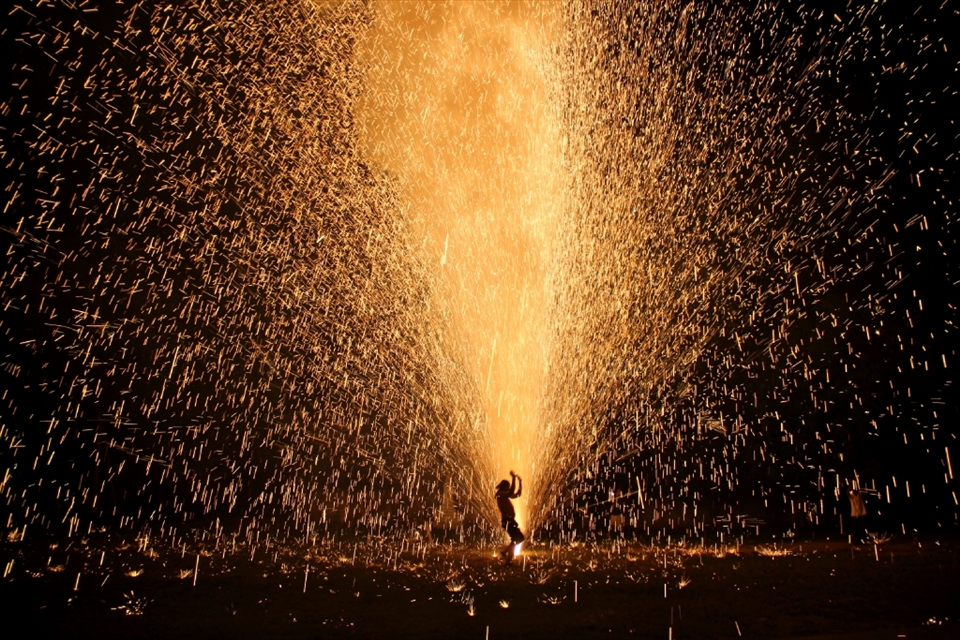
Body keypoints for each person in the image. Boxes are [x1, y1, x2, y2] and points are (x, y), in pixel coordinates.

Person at [496, 471, 524, 562]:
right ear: (504, 487)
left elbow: (517, 494)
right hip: (507, 521)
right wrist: (513, 478)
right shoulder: (500, 495)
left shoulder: (504, 495)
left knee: (517, 539)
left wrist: (520, 483)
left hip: (510, 520)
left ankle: (505, 554)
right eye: (507, 487)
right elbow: (511, 491)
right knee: (517, 539)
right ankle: (507, 558)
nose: (508, 489)